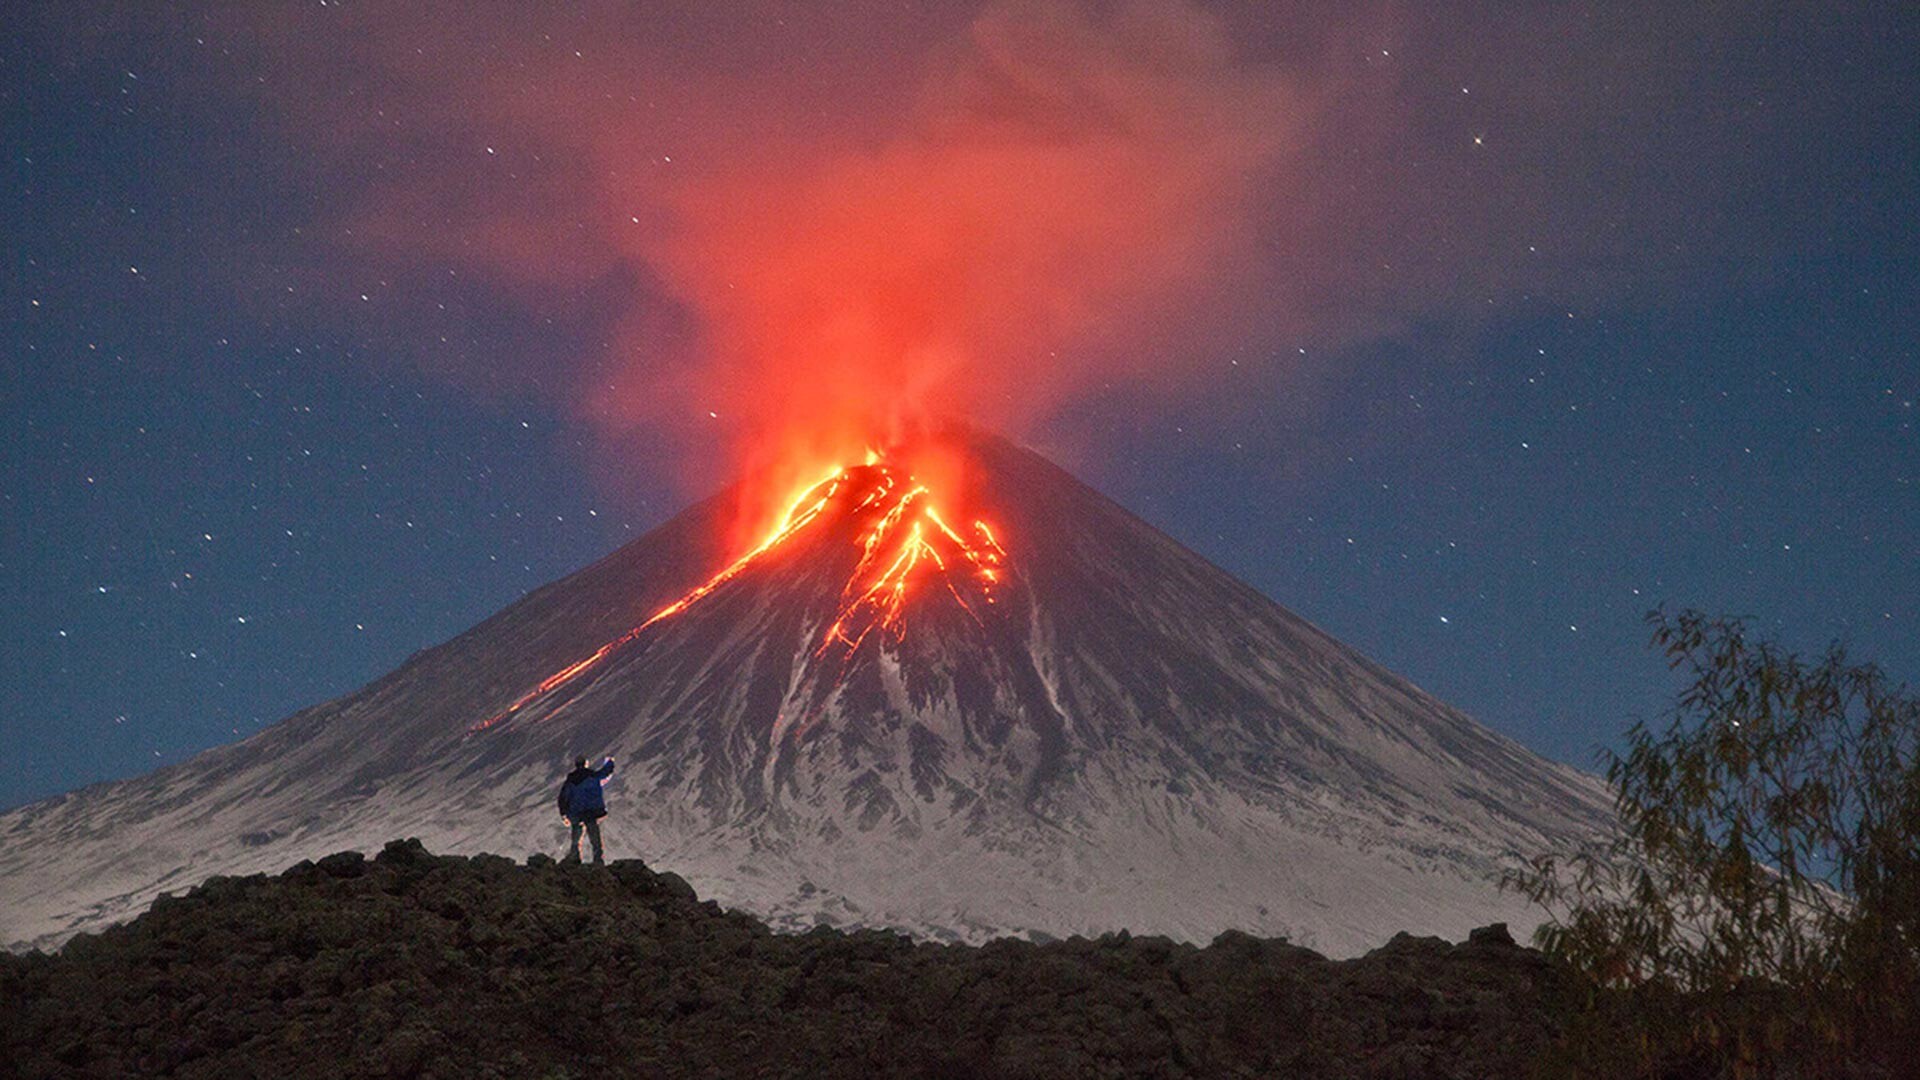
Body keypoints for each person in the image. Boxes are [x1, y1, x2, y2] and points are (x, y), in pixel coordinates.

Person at [557, 754, 616, 864]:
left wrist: (563, 814)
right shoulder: (592, 776)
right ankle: (598, 859)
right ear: (586, 763)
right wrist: (609, 761)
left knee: (576, 834)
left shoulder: (570, 780)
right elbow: (605, 773)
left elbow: (563, 797)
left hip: (575, 811)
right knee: (594, 834)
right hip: (591, 811)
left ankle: (574, 857)